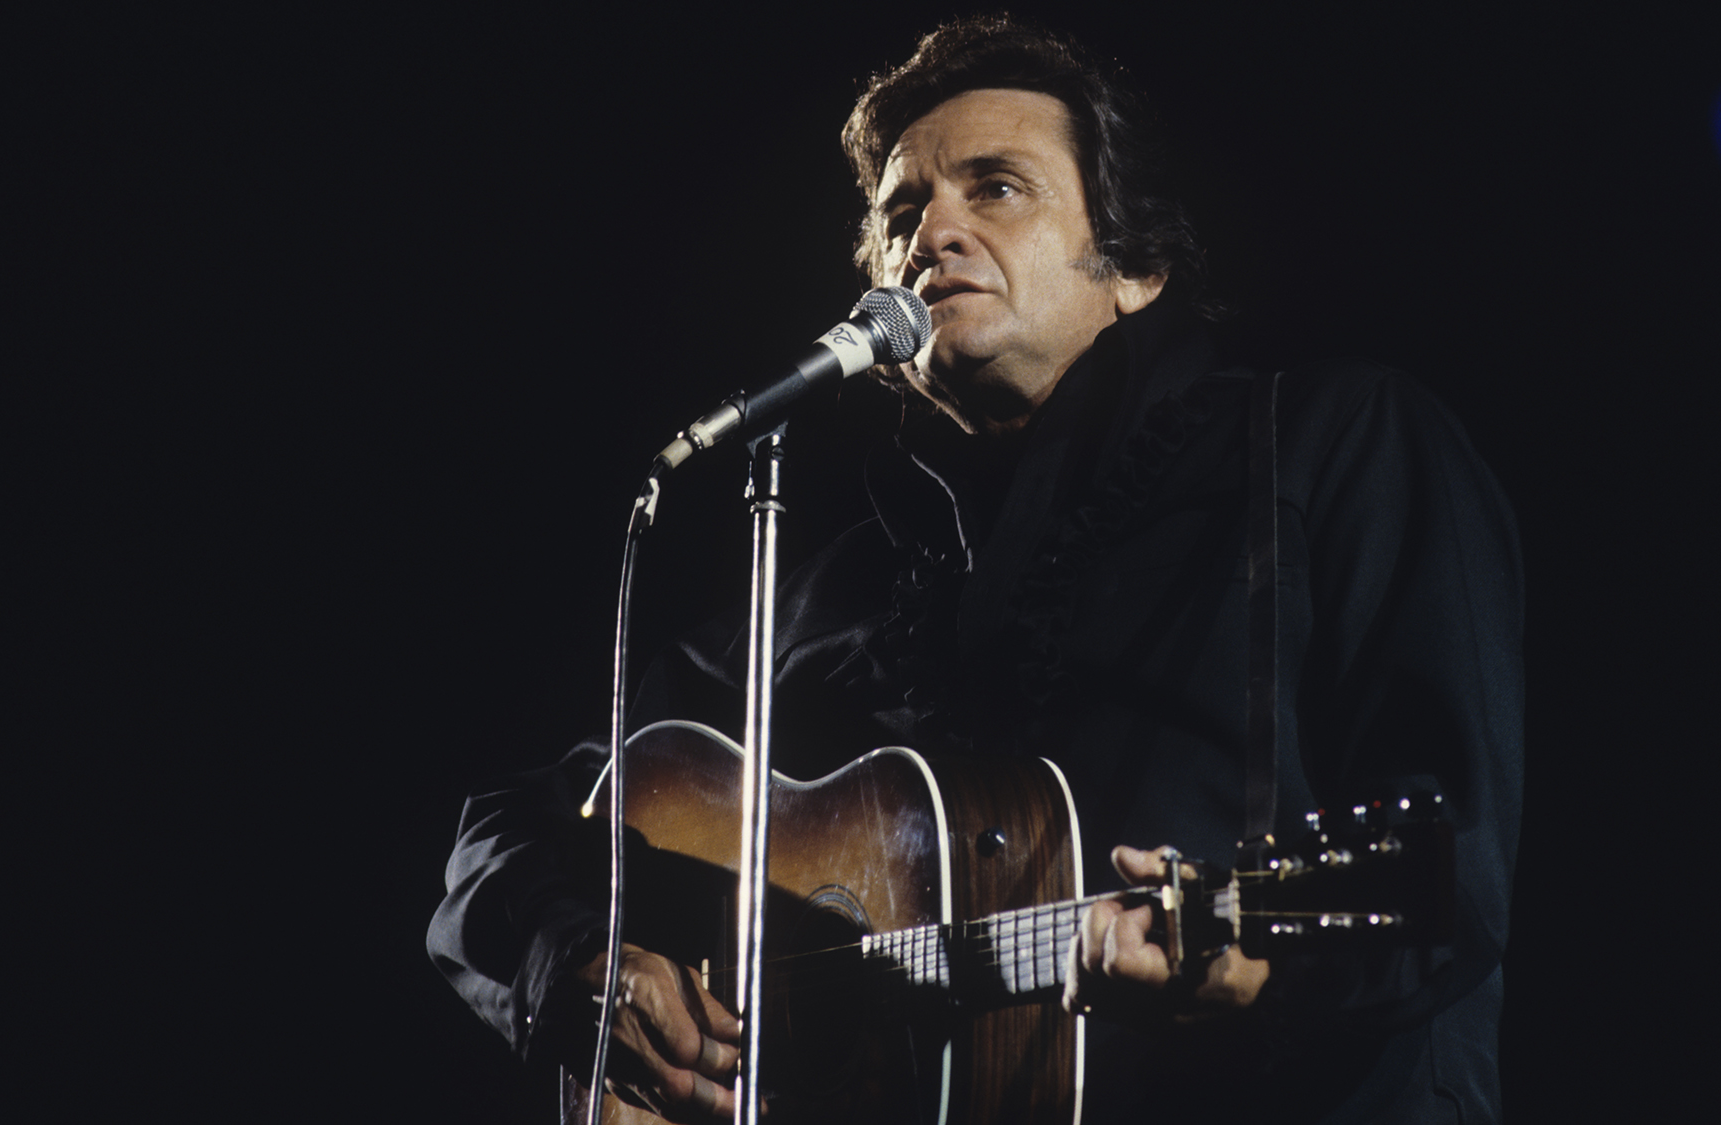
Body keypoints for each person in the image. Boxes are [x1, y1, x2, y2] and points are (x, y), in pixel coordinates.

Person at [429, 15, 1522, 1123]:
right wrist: (570, 966)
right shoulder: (843, 585)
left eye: (993, 188)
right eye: (902, 212)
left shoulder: (1332, 446)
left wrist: (1263, 970)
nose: (930, 233)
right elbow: (509, 826)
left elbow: (1442, 867)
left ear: (1136, 265)